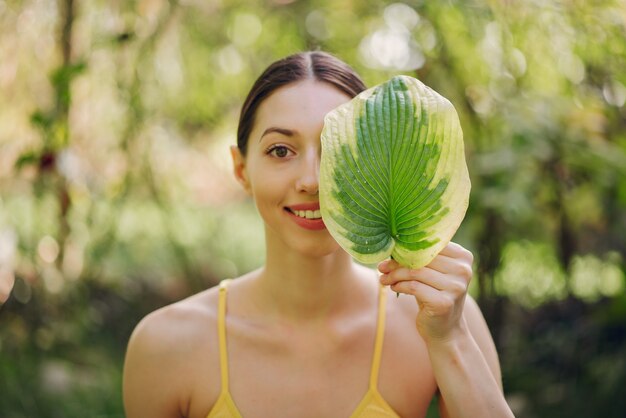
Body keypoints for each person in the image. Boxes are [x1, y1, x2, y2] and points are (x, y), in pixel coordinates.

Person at [123, 51, 515, 418]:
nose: (311, 181)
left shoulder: (443, 321)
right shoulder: (166, 345)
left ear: (376, 169)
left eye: (336, 150)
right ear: (241, 170)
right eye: (280, 150)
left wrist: (449, 340)